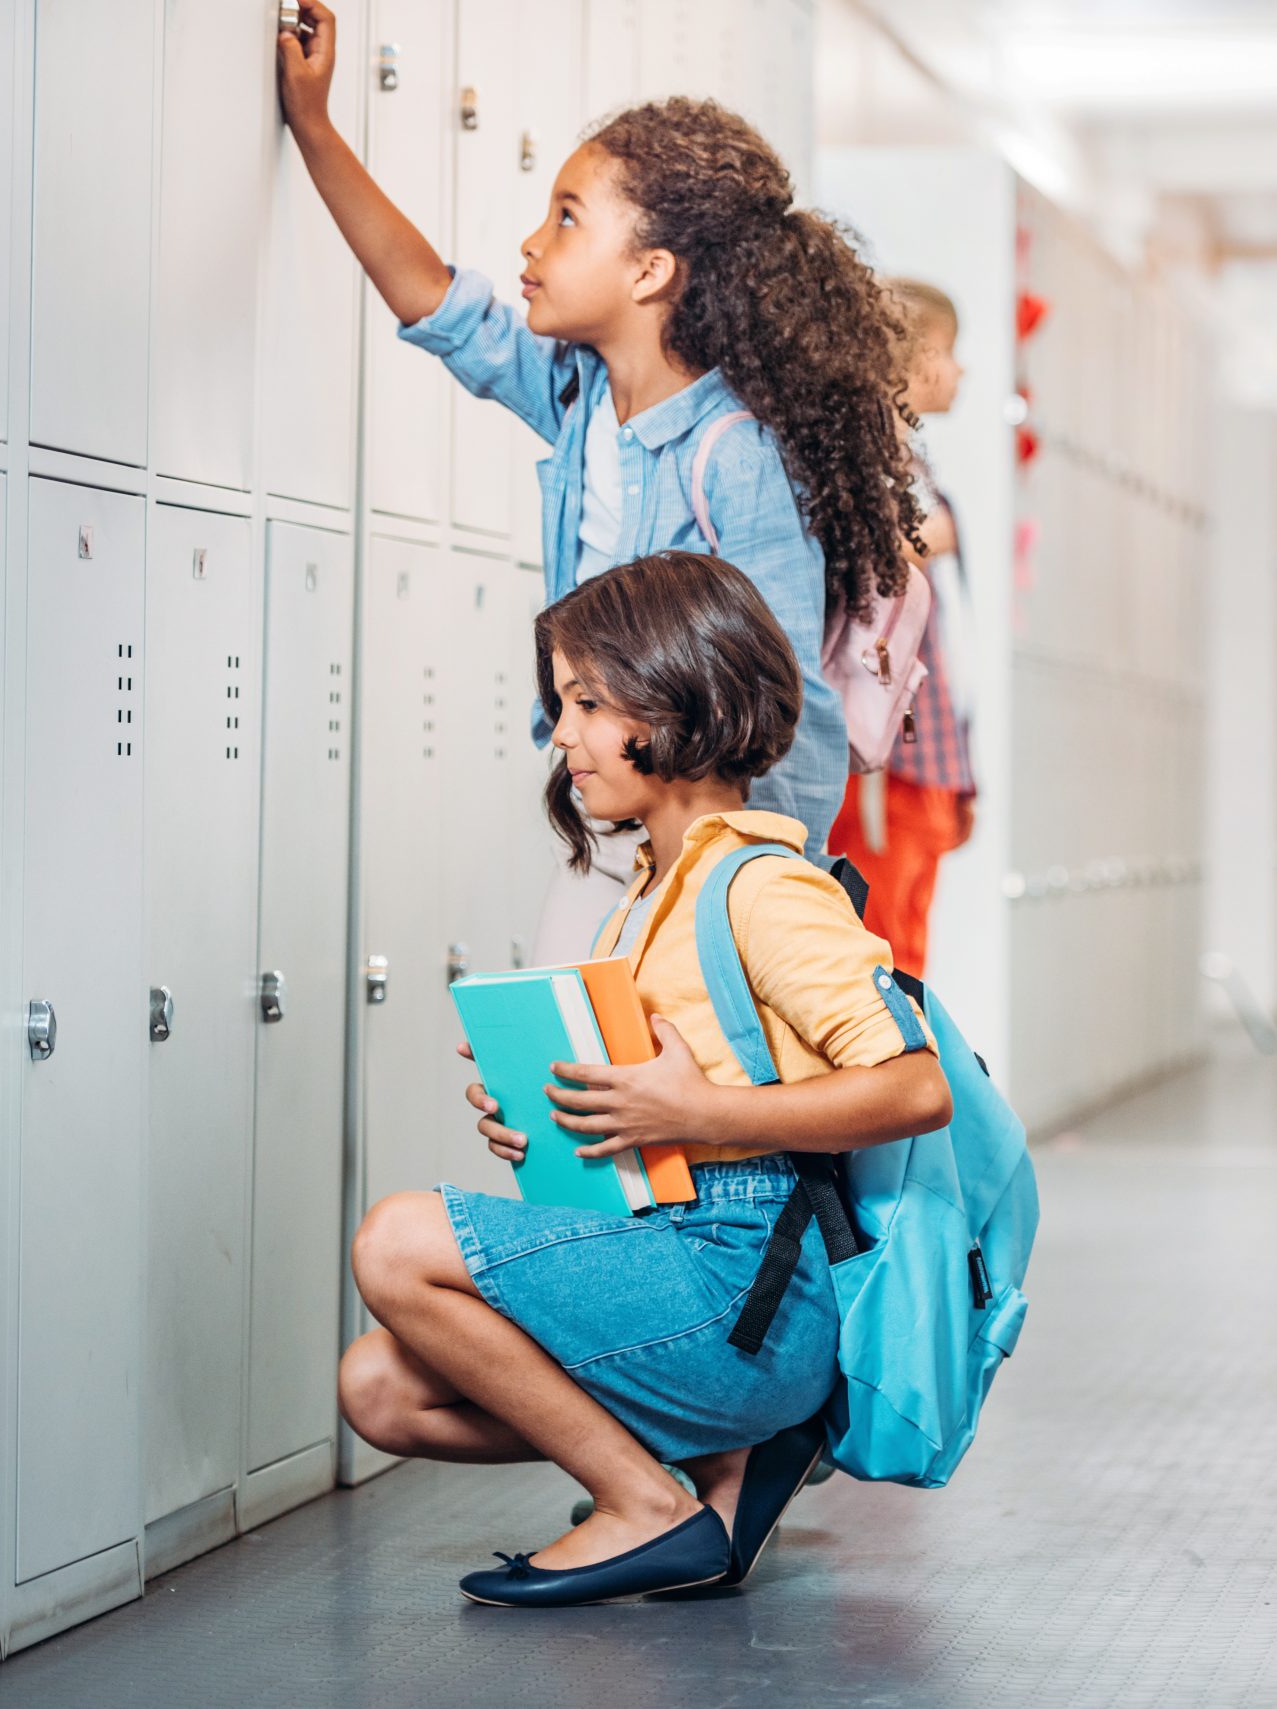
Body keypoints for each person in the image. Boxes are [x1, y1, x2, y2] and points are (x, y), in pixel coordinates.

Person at [336, 552, 951, 1607]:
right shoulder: (648, 893)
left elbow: (914, 1086)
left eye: (585, 700)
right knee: (379, 1389)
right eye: (560, 702)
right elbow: (659, 1110)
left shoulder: (765, 885)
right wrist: (551, 1114)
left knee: (393, 1238)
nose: (562, 733)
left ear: (680, 693)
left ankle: (647, 1505)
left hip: (741, 1285)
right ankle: (722, 1466)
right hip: (670, 1239)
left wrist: (695, 1107)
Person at [277, 3, 918, 932]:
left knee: (624, 1063)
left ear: (651, 271)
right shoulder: (582, 399)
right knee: (568, 1050)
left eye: (568, 219)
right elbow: (434, 302)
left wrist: (772, 883)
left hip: (713, 849)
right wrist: (315, 125)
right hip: (610, 817)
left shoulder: (737, 457)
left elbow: (790, 702)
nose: (533, 244)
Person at [828, 279, 977, 975]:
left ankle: (913, 1079)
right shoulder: (858, 460)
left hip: (927, 756)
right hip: (887, 758)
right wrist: (929, 535)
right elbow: (859, 561)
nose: (960, 371)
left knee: (909, 944)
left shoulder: (912, 462)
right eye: (948, 352)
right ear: (910, 361)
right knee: (882, 948)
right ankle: (893, 1083)